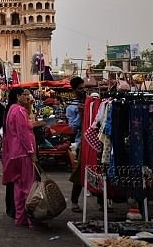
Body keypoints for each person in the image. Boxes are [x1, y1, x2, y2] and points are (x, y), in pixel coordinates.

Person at [1, 87, 37, 228]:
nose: (27, 97)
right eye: (24, 95)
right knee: (28, 187)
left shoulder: (11, 110)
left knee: (18, 188)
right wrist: (31, 151)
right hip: (23, 153)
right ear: (18, 96)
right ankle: (30, 220)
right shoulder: (20, 111)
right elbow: (24, 134)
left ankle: (20, 218)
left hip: (14, 154)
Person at [67, 76, 86, 213]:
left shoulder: (90, 101)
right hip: (81, 142)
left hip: (95, 141)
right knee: (80, 171)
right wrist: (80, 113)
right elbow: (73, 127)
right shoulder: (72, 107)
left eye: (84, 88)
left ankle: (102, 201)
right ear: (74, 90)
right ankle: (74, 201)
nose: (83, 90)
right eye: (80, 89)